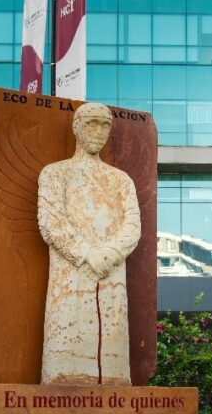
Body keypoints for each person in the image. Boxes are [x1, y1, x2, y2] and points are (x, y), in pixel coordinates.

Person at [37, 102, 141, 385]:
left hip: (111, 274)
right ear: (76, 127)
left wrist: (109, 253)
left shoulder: (121, 180)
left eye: (105, 124)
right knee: (65, 366)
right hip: (70, 276)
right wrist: (86, 254)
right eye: (91, 123)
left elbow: (132, 225)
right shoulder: (55, 173)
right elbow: (50, 222)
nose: (99, 131)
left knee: (113, 368)